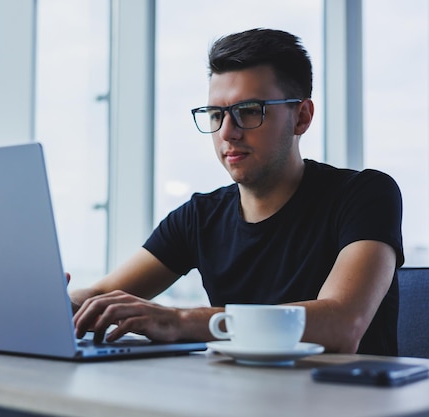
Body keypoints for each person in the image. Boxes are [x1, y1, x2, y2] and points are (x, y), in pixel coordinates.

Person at [70, 28, 404, 355]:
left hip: (346, 402)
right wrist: (48, 300)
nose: (227, 133)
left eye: (248, 112)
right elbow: (101, 294)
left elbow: (343, 324)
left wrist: (181, 321)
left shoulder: (364, 195)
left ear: (301, 117)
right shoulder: (200, 217)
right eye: (216, 114)